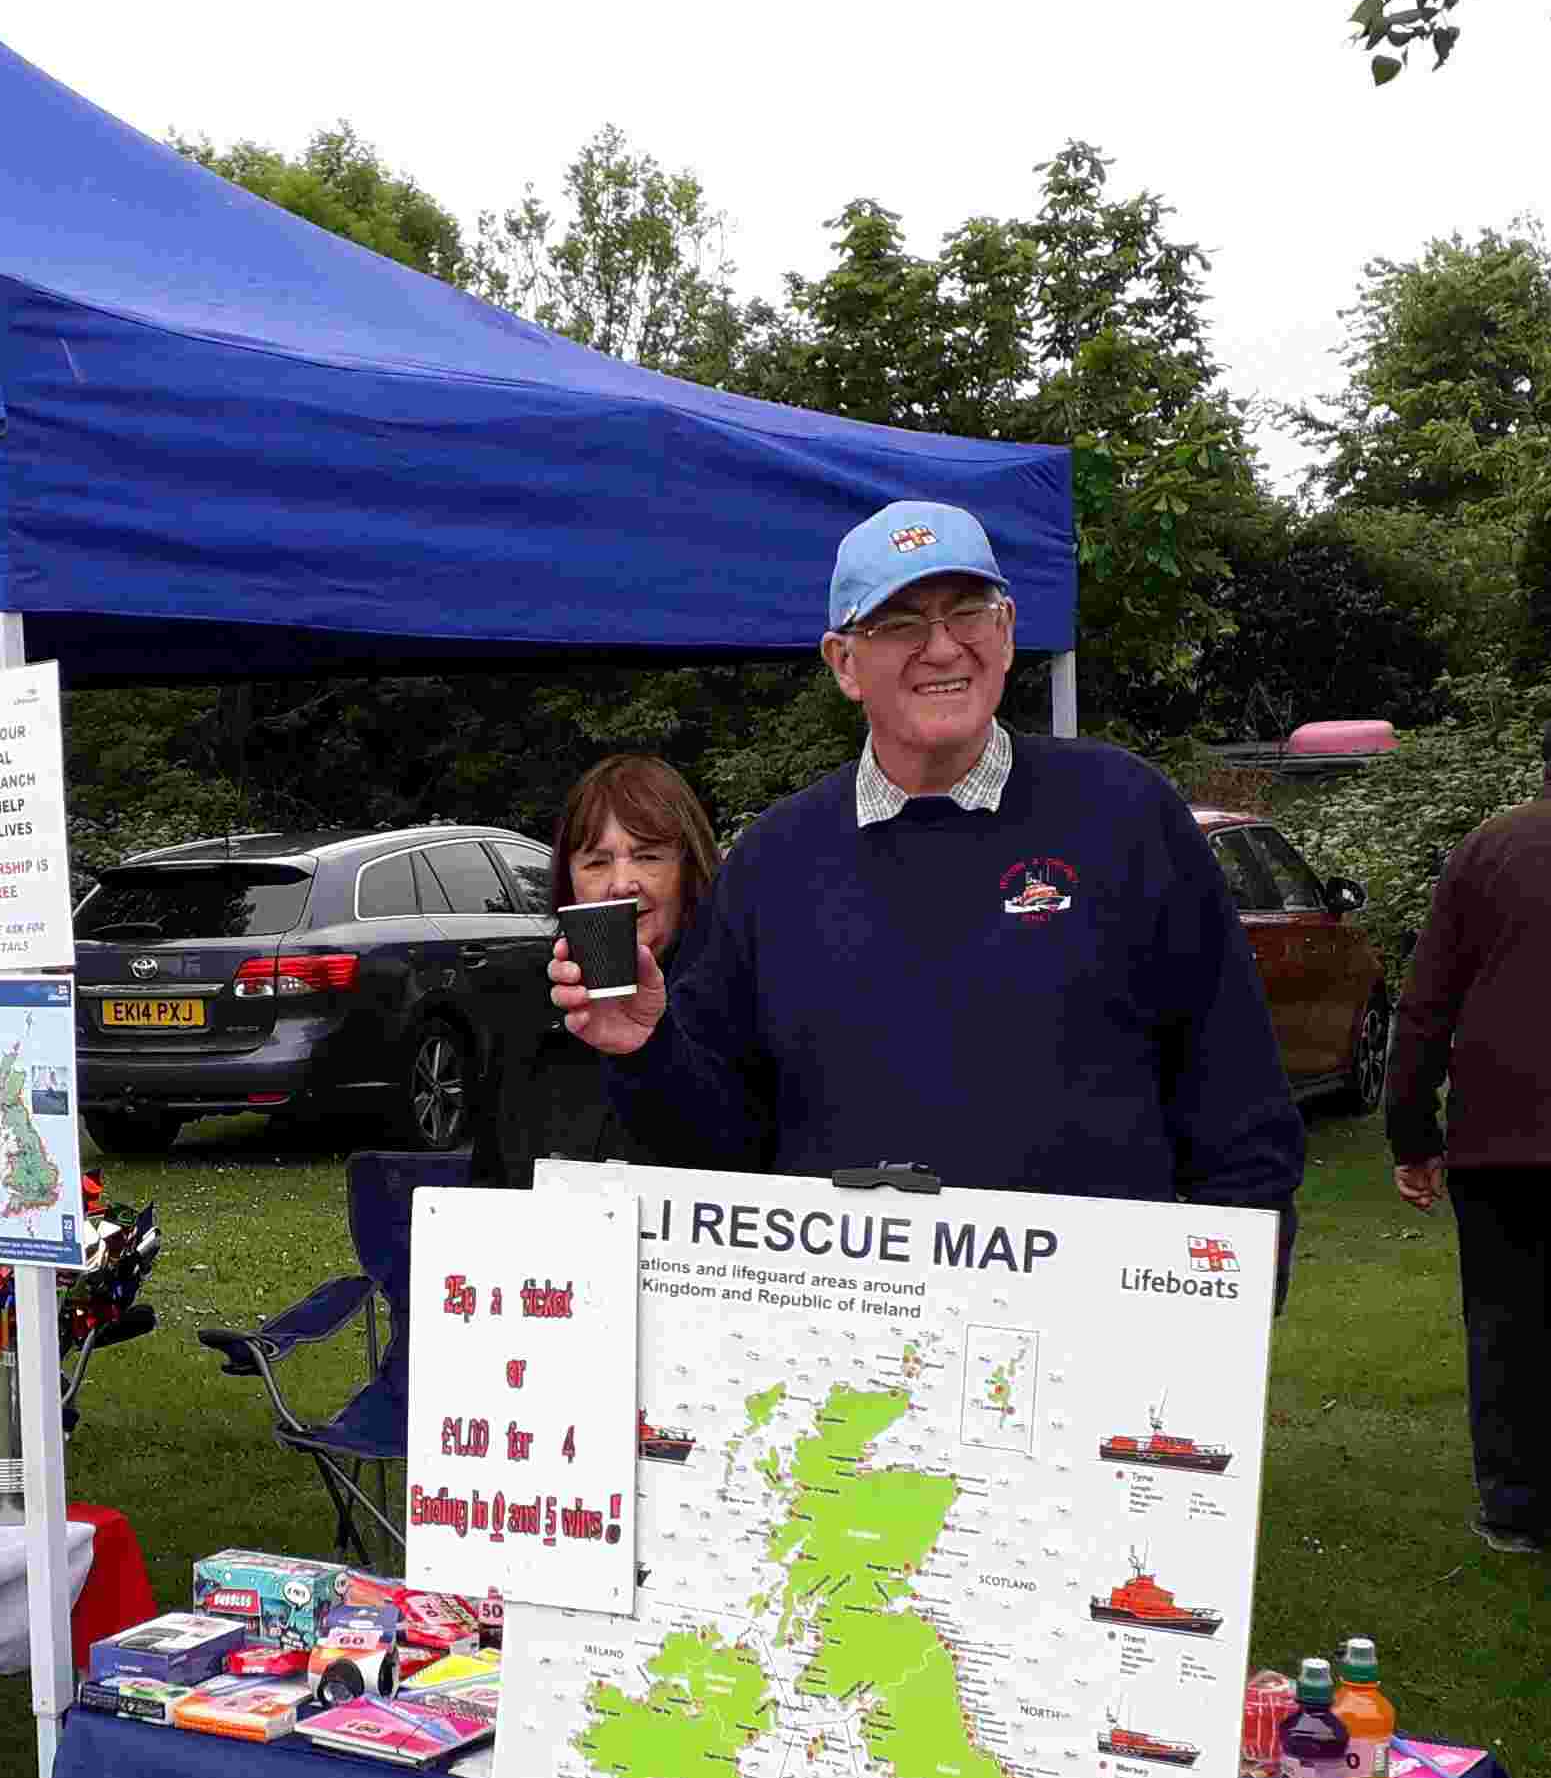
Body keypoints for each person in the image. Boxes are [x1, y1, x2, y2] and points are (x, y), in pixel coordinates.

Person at [554, 500, 1304, 1233]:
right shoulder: (771, 865)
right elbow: (726, 1152)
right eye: (901, 622)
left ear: (1006, 633)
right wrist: (647, 1052)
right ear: (844, 662)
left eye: (967, 612)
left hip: (1090, 1334)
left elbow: (1235, 1093)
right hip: (852, 1337)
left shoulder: (1126, 813)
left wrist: (1232, 1302)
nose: (943, 647)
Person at [1384, 701, 1551, 1566]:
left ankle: (1516, 1515)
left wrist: (1412, 1132)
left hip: (1497, 1135)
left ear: (1550, 765)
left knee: (1508, 1325)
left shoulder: (1488, 847)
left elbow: (1427, 1001)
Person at [518, 753, 721, 1173]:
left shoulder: (737, 1003)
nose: (622, 885)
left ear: (689, 868)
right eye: (596, 861)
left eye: (648, 856)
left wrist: (651, 1054)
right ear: (568, 882)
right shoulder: (530, 1023)